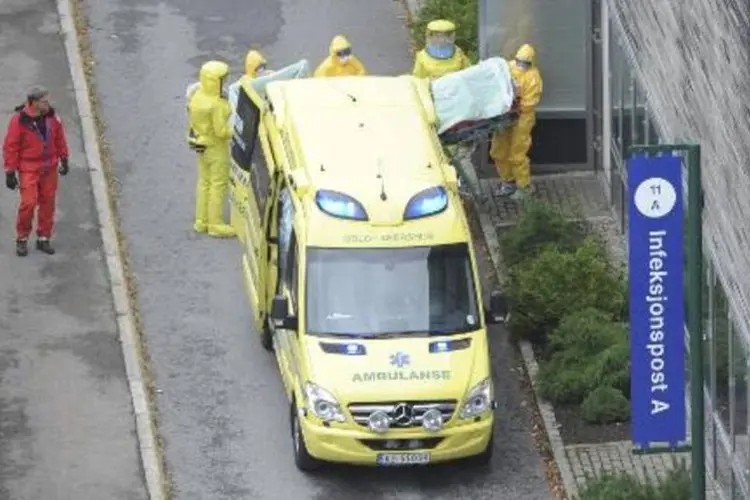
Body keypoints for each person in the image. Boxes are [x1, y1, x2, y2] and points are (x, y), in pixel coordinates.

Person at [3, 86, 70, 256]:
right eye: (44, 101)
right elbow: (11, 146)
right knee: (29, 203)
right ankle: (22, 238)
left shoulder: (52, 117)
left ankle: (43, 238)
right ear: (33, 102)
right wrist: (10, 172)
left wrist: (64, 157)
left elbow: (59, 138)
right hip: (29, 168)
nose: (48, 104)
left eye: (48, 101)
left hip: (49, 167)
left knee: (48, 203)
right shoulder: (19, 120)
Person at [187, 60, 236, 238]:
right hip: (216, 148)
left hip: (201, 145)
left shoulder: (196, 96)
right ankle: (215, 223)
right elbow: (221, 131)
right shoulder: (216, 104)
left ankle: (201, 220)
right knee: (218, 184)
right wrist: (236, 131)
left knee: (203, 182)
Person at [489, 44, 543, 200]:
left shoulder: (533, 77)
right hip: (505, 114)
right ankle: (508, 182)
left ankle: (524, 186)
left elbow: (530, 101)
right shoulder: (508, 67)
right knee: (498, 151)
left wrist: (515, 107)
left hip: (522, 118)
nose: (521, 65)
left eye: (525, 63)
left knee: (517, 153)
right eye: (520, 61)